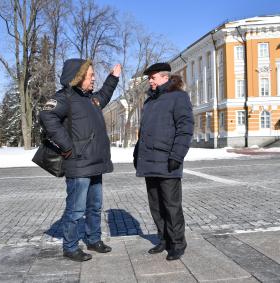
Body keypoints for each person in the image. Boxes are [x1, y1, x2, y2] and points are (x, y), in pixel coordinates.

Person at [39, 59, 121, 262]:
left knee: (95, 206)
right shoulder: (65, 97)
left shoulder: (91, 99)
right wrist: (67, 146)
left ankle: (93, 240)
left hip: (95, 163)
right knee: (76, 209)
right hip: (78, 164)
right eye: (90, 75)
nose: (94, 78)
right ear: (78, 76)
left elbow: (104, 95)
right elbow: (47, 116)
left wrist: (113, 78)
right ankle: (70, 246)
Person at [133, 63, 194, 261]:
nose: (150, 80)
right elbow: (144, 131)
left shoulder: (179, 97)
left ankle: (177, 243)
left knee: (171, 205)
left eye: (153, 77)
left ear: (164, 77)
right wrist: (137, 153)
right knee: (156, 205)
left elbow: (185, 129)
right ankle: (164, 239)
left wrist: (177, 156)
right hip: (150, 162)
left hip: (168, 161)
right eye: (149, 78)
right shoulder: (150, 101)